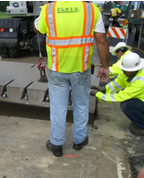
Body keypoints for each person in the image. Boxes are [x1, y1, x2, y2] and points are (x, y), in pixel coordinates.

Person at [34, 1, 111, 157]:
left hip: (57, 69)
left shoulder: (49, 9)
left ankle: (56, 144)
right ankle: (79, 140)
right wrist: (105, 66)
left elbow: (38, 28)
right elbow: (101, 40)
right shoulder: (91, 10)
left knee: (57, 108)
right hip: (81, 69)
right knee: (81, 105)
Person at [92, 52, 144, 136]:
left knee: (127, 105)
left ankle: (143, 127)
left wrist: (99, 95)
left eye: (125, 70)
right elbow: (120, 81)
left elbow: (121, 96)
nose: (123, 71)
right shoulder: (134, 67)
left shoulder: (140, 81)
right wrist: (104, 89)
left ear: (133, 70)